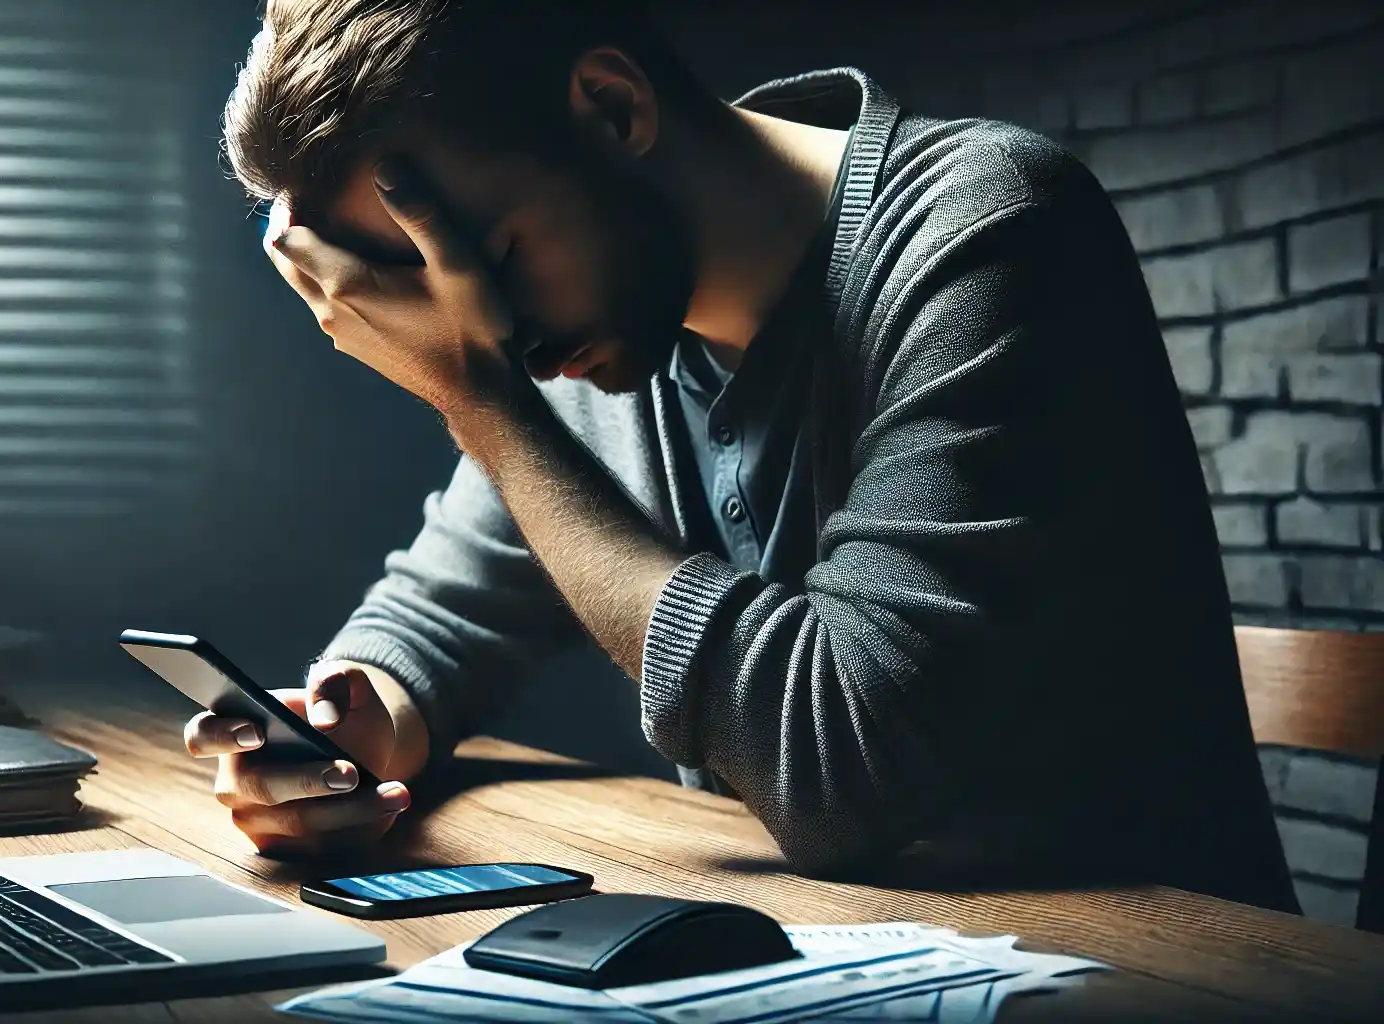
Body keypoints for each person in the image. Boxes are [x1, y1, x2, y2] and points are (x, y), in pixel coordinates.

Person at [185, 0, 1297, 912]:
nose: (499, 336)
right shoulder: (605, 317)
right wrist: (346, 729)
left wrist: (477, 401)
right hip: (837, 952)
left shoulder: (985, 226)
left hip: (1145, 974)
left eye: (492, 261)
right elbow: (442, 616)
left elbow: (840, 767)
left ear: (613, 109)